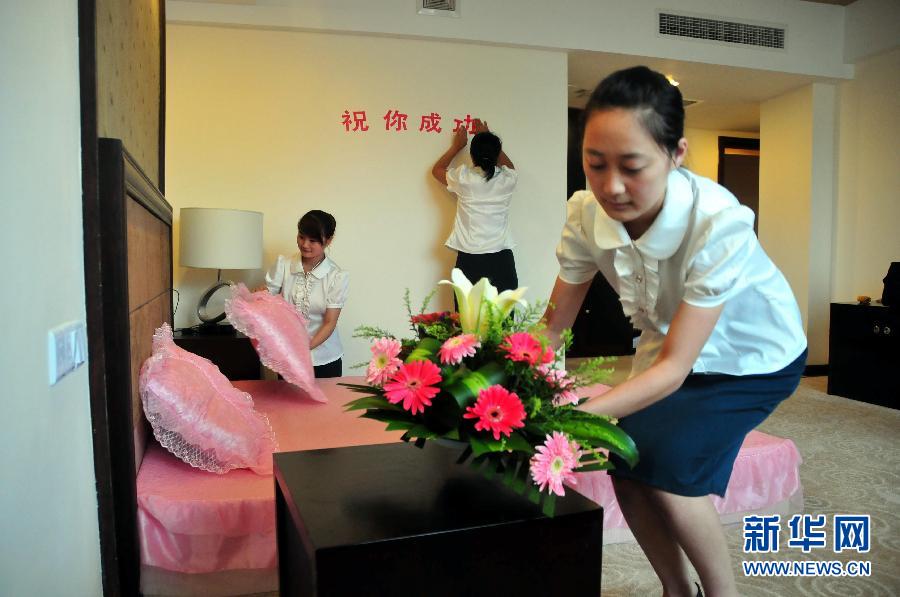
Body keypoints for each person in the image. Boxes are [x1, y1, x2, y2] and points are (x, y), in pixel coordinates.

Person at [542, 66, 807, 597]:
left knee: (671, 464)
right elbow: (554, 326)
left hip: (752, 360)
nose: (611, 186)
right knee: (623, 455)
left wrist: (570, 420)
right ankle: (674, 588)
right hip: (669, 347)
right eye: (595, 165)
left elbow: (674, 370)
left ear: (676, 153)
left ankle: (721, 592)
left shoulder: (718, 221)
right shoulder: (584, 212)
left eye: (632, 166)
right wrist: (525, 386)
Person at [431, 118, 519, 292]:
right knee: (502, 319)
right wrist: (486, 136)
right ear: (496, 154)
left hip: (470, 261)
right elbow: (510, 167)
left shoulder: (464, 178)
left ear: (472, 156)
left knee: (468, 318)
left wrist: (457, 146)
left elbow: (437, 170)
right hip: (502, 261)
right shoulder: (507, 179)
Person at [265, 210, 349, 378]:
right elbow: (268, 305)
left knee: (327, 404)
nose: (305, 244)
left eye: (313, 240)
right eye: (301, 237)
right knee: (287, 404)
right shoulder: (284, 265)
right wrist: (260, 295)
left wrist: (302, 348)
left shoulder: (336, 276)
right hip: (288, 358)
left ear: (328, 241)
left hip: (325, 359)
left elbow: (329, 323)